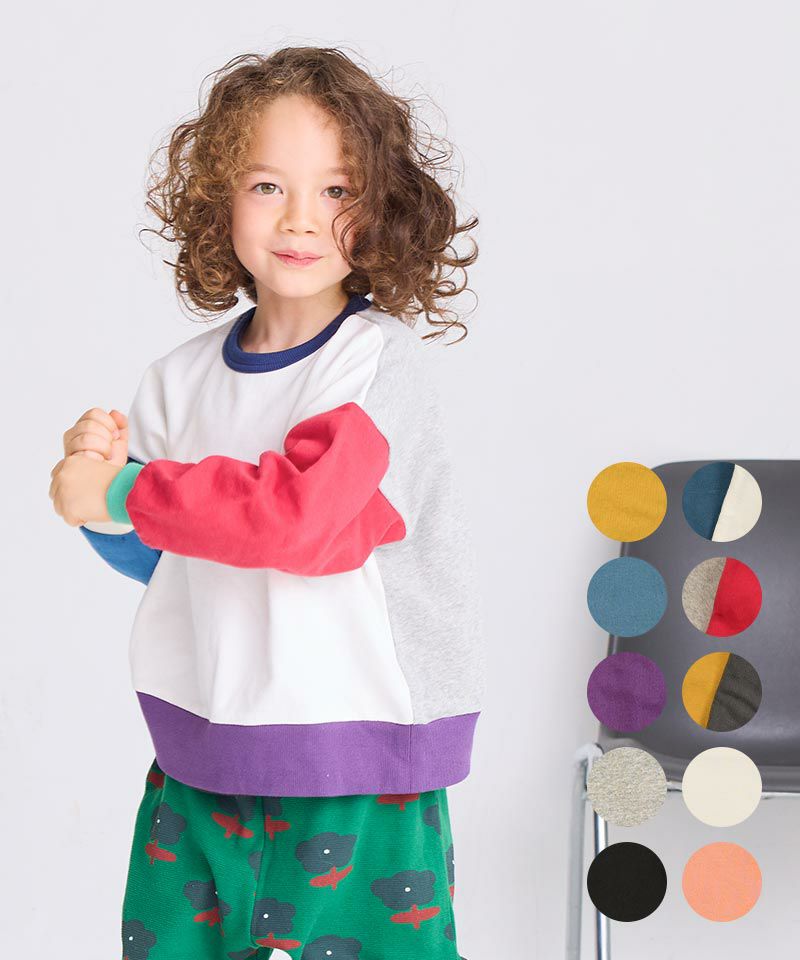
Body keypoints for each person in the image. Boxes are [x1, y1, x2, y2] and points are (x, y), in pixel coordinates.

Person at [49, 45, 486, 960]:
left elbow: (302, 522)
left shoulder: (375, 367)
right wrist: (100, 501)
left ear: (383, 207)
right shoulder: (177, 379)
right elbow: (169, 555)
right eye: (266, 186)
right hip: (202, 750)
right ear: (220, 199)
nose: (300, 218)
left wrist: (126, 488)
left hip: (355, 759)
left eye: (337, 190)